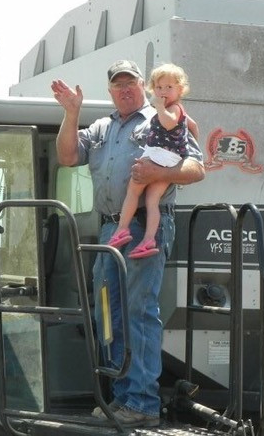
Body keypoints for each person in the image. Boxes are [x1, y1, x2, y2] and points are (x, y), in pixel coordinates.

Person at [51, 60, 204, 428]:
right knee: (108, 313)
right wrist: (71, 113)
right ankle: (122, 398)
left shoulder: (164, 117)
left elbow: (197, 167)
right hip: (110, 231)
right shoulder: (101, 126)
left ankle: (143, 403)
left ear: (143, 86)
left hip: (145, 227)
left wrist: (161, 173)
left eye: (131, 83)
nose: (125, 90)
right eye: (118, 84)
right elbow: (68, 156)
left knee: (138, 310)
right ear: (110, 91)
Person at [108, 63, 199, 259]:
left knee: (133, 189)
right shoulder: (177, 109)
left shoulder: (172, 108)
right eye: (159, 87)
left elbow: (169, 122)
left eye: (169, 87)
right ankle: (148, 240)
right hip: (169, 157)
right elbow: (192, 126)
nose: (163, 91)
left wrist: (158, 107)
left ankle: (122, 229)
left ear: (180, 89)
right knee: (152, 200)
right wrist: (189, 137)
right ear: (152, 88)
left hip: (160, 154)